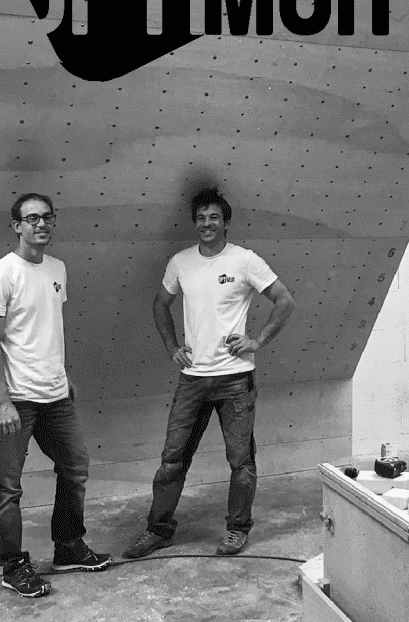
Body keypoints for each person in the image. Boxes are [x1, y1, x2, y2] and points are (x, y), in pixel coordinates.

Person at [123, 187, 295, 559]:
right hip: (193, 378)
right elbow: (160, 304)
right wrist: (172, 347)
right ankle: (158, 530)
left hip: (235, 379)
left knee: (241, 462)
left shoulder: (245, 261)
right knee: (172, 459)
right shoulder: (181, 262)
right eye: (201, 218)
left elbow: (285, 300)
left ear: (226, 223)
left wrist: (257, 341)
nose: (207, 224)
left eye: (214, 217)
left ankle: (237, 530)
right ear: (194, 223)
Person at [0, 193, 111, 598]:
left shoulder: (57, 268)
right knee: (7, 486)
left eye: (47, 217)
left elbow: (48, 327)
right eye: (32, 218)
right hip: (15, 399)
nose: (41, 224)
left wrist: (62, 375)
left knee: (75, 467)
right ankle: (13, 566)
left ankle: (68, 547)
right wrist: (2, 401)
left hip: (54, 396)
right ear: (16, 226)